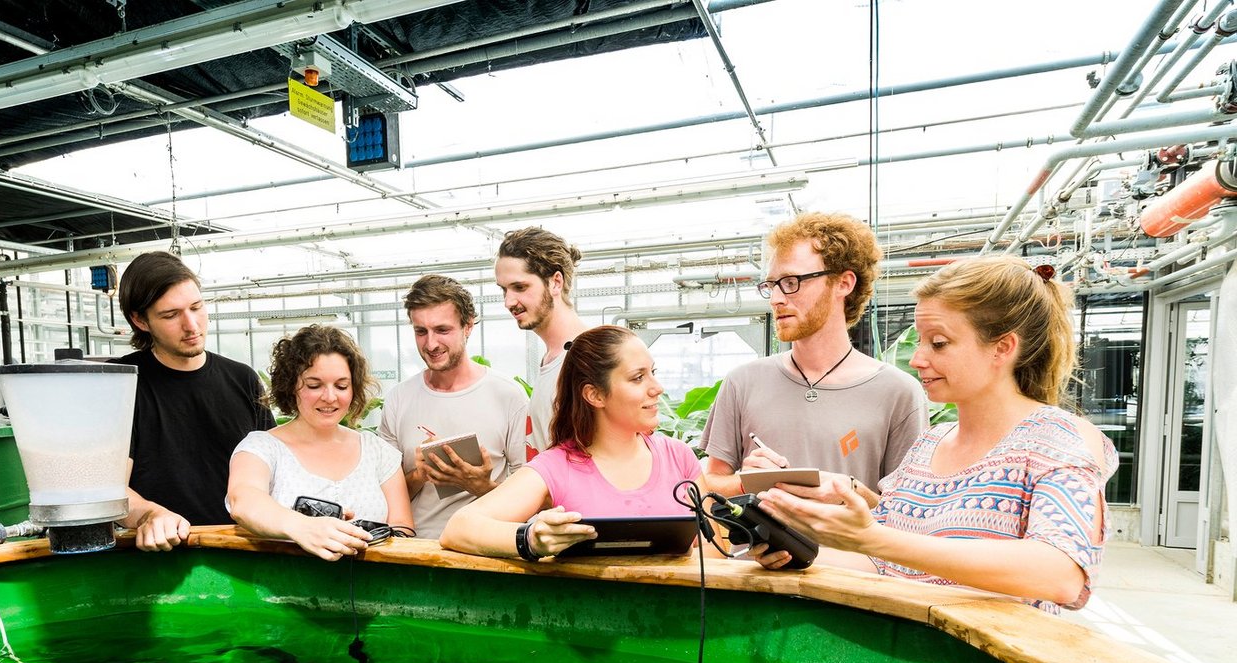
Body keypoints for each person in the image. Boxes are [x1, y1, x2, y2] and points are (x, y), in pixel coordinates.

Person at [752, 256, 1117, 613]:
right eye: (921, 340)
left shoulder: (1058, 439)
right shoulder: (929, 445)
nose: (917, 358)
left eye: (938, 343)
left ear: (1003, 347)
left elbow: (1060, 573)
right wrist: (800, 552)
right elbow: (890, 564)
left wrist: (873, 538)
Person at [700, 213, 927, 497]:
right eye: (771, 285)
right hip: (757, 544)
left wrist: (848, 493)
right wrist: (746, 481)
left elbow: (906, 510)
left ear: (844, 283)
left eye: (792, 281)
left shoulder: (898, 393)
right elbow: (709, 485)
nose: (776, 298)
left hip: (845, 543)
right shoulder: (742, 382)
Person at [441, 325, 701, 560]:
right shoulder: (557, 466)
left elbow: (713, 548)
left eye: (653, 373)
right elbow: (459, 527)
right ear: (595, 395)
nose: (657, 388)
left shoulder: (679, 457)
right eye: (638, 377)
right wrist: (530, 539)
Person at [115, 251, 274, 552]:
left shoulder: (243, 379)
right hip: (162, 555)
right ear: (140, 320)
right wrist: (150, 514)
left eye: (196, 307)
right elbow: (110, 487)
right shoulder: (122, 384)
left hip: (243, 550)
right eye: (171, 315)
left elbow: (273, 470)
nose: (192, 325)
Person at [226, 325, 412, 561]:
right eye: (314, 385)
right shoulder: (261, 447)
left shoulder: (378, 451)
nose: (330, 397)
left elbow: (403, 527)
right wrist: (302, 526)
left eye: (342, 386)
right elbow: (244, 500)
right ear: (291, 385)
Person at [379, 275, 528, 538]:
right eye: (420, 331)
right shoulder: (398, 399)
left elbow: (530, 496)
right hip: (414, 549)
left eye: (442, 330)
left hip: (484, 547)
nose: (431, 344)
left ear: (468, 326)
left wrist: (482, 486)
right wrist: (419, 474)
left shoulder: (508, 396)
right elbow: (383, 496)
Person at [494, 226, 588, 458]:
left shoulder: (589, 358)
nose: (508, 301)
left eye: (520, 287)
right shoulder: (553, 358)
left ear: (556, 282)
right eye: (504, 290)